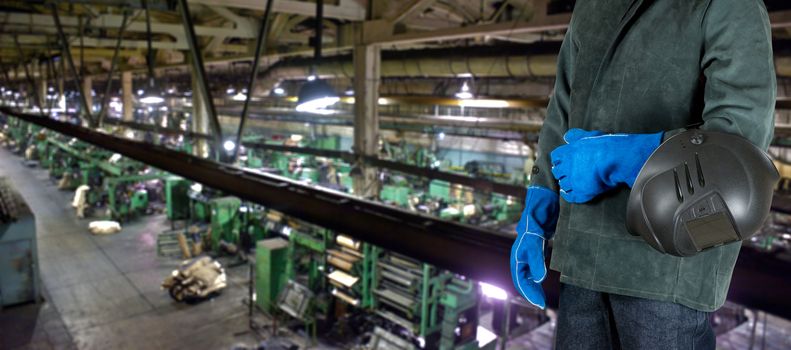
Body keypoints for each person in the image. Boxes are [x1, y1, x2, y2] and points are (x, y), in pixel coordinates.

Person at [509, 0, 776, 349]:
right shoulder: (591, 7)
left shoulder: (726, 5)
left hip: (665, 270)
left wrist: (626, 157)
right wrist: (536, 214)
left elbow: (740, 147)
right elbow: (562, 109)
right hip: (582, 258)